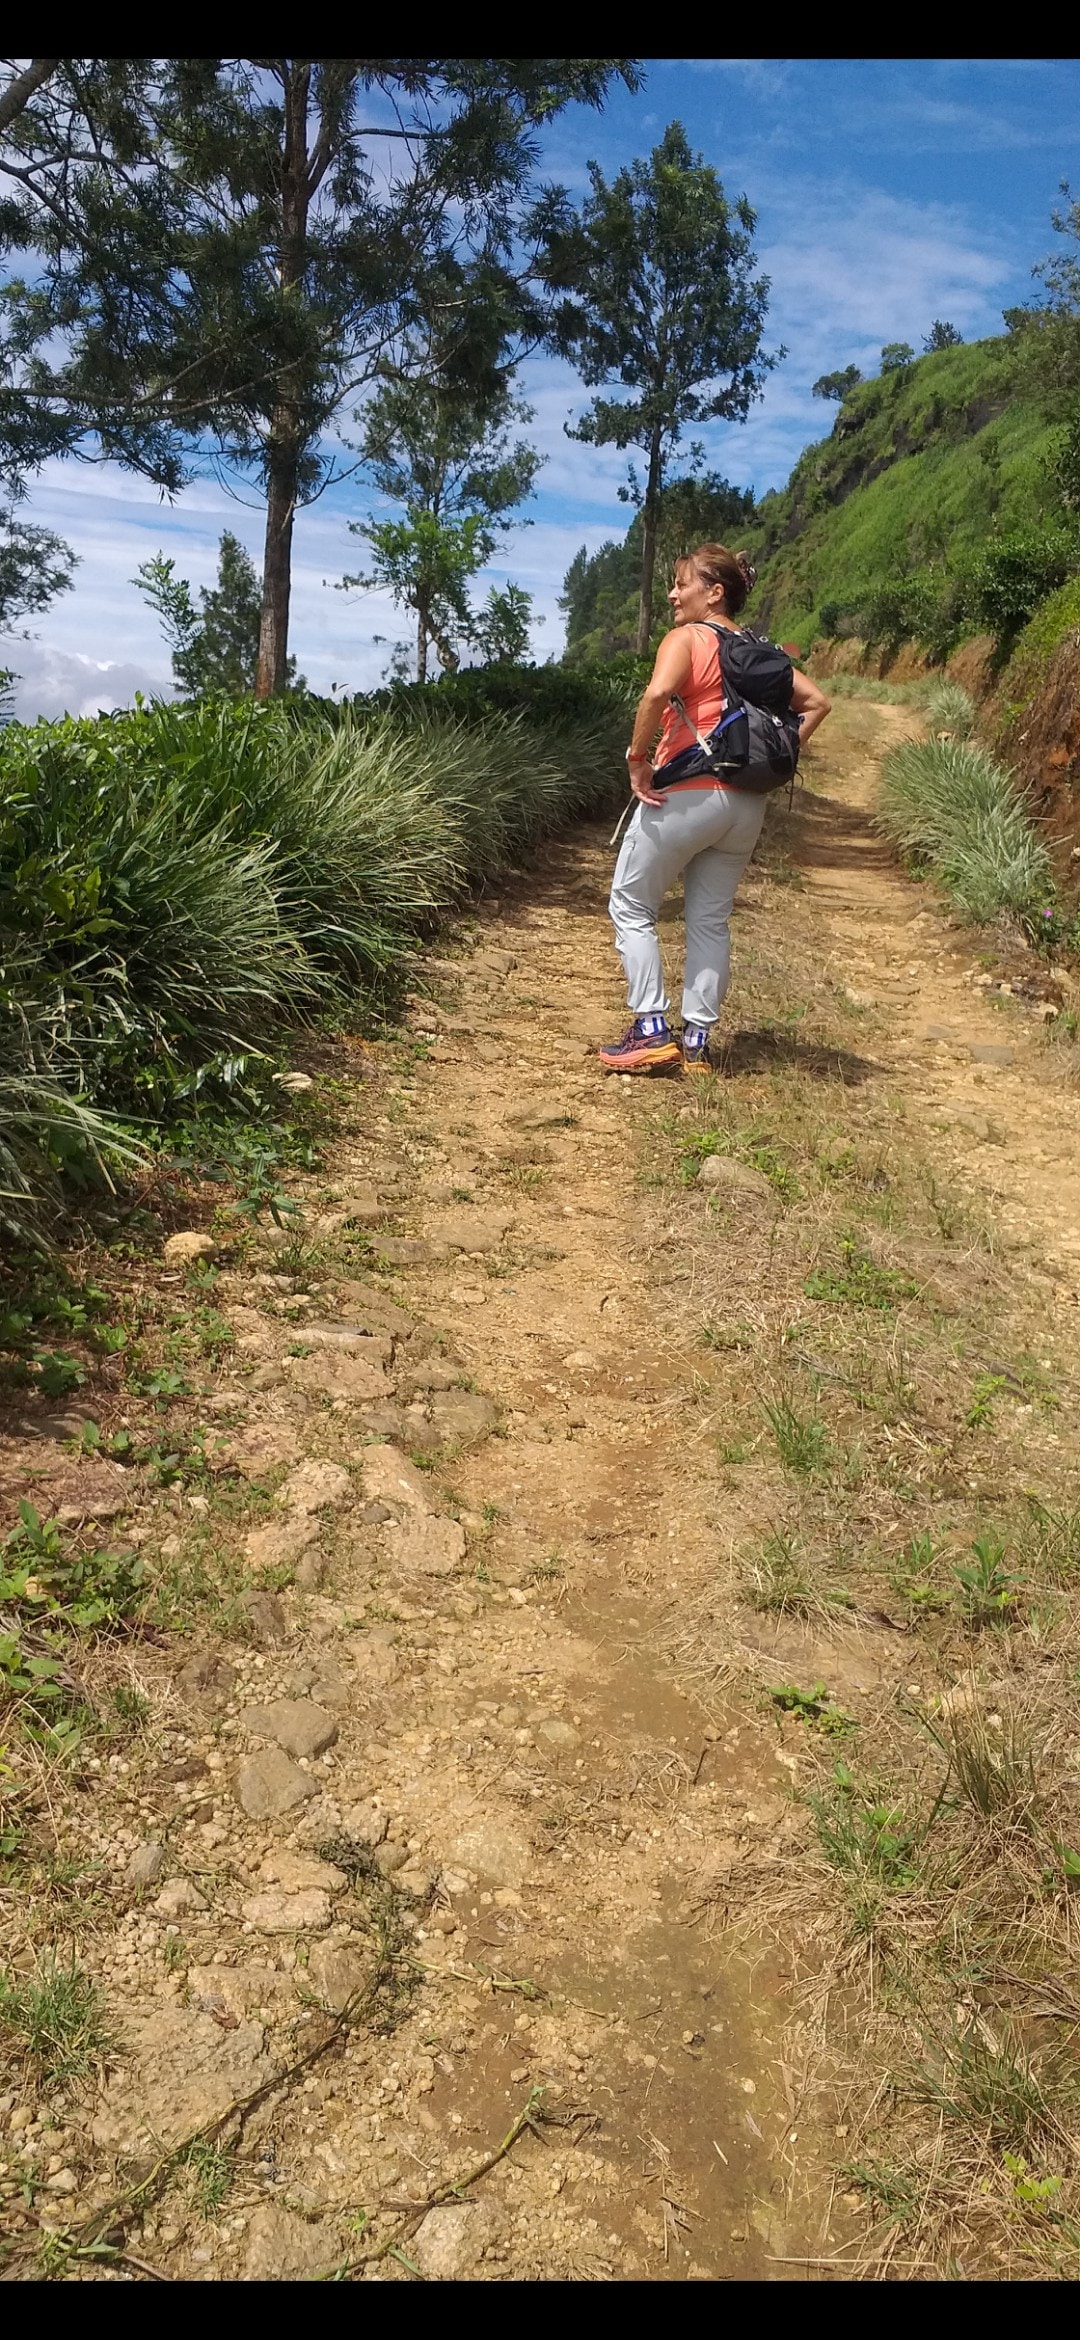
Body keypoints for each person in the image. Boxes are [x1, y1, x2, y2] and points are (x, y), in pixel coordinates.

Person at [598, 544, 831, 1075]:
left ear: (715, 592)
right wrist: (780, 753)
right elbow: (818, 703)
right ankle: (697, 1043)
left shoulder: (687, 638)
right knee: (709, 920)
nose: (672, 595)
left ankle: (650, 1030)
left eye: (682, 584)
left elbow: (656, 695)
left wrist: (637, 761)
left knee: (631, 906)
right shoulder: (757, 650)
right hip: (745, 806)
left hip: (687, 793)